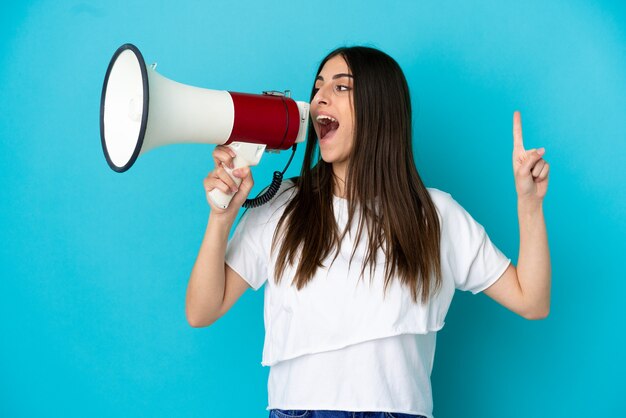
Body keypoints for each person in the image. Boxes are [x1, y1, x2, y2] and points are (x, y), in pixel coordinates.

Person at [185, 46, 551, 418]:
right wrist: (221, 218)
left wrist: (530, 204)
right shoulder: (282, 205)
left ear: (381, 108)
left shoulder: (435, 214)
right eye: (317, 87)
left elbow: (532, 300)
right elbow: (201, 310)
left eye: (342, 87)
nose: (319, 98)